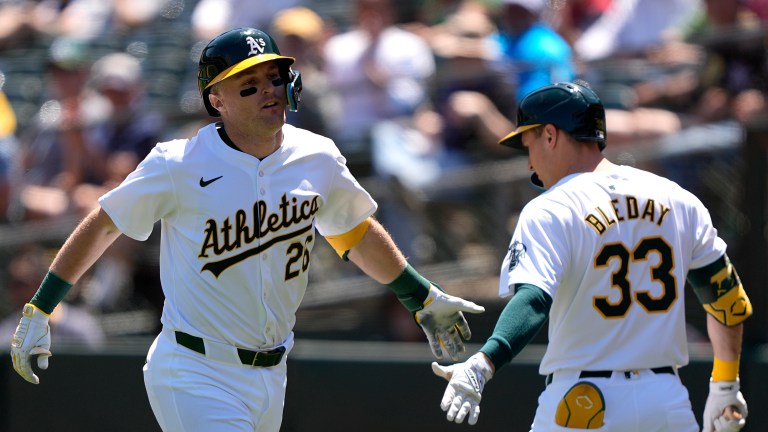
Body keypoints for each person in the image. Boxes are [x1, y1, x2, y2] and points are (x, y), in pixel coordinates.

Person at [9, 27, 485, 432]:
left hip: (271, 374)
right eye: (249, 84)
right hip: (193, 368)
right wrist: (40, 308)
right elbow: (102, 226)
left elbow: (352, 232)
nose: (268, 91)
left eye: (274, 78)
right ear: (216, 100)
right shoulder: (178, 164)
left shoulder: (316, 157)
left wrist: (419, 295)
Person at [430, 81, 752, 431]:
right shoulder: (677, 198)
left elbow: (534, 300)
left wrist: (484, 363)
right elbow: (727, 300)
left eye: (529, 146)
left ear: (550, 135)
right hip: (666, 401)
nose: (529, 165)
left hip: (582, 403)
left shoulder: (551, 209)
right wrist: (725, 385)